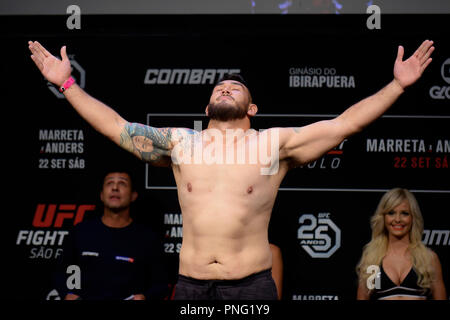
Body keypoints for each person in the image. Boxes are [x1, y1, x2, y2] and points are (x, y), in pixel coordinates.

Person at [29, 39, 434, 300]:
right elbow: (117, 128)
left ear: (252, 109)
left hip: (251, 288)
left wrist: (397, 86)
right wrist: (67, 85)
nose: (225, 87)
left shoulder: (271, 145)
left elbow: (347, 123)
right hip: (189, 287)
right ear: (207, 108)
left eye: (235, 87)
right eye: (218, 88)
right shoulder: (181, 143)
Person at [54, 168, 168, 300]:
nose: (115, 187)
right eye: (109, 183)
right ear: (102, 195)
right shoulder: (80, 233)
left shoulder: (147, 239)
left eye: (122, 183)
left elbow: (160, 283)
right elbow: (63, 271)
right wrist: (69, 293)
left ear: (133, 196)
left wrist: (145, 297)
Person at [356, 188, 447, 300]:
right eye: (391, 213)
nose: (397, 219)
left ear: (413, 218)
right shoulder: (373, 260)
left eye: (404, 213)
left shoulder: (428, 259)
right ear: (383, 217)